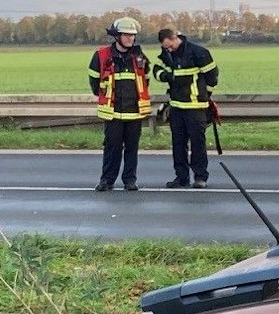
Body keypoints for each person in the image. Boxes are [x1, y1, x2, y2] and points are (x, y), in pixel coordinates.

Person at [89, 17, 151, 191]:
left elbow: (145, 81)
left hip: (134, 112)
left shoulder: (140, 57)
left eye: (132, 35)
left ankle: (130, 180)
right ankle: (107, 180)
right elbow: (95, 83)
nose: (130, 39)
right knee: (112, 148)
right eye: (126, 35)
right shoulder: (101, 55)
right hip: (113, 112)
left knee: (132, 149)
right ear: (117, 36)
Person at [154, 27, 218, 188]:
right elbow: (156, 70)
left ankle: (200, 177)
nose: (168, 49)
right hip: (176, 106)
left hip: (196, 107)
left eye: (170, 46)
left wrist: (205, 96)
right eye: (165, 47)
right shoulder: (166, 53)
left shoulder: (198, 52)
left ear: (176, 37)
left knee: (198, 144)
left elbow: (212, 77)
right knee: (178, 144)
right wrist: (167, 76)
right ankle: (181, 177)